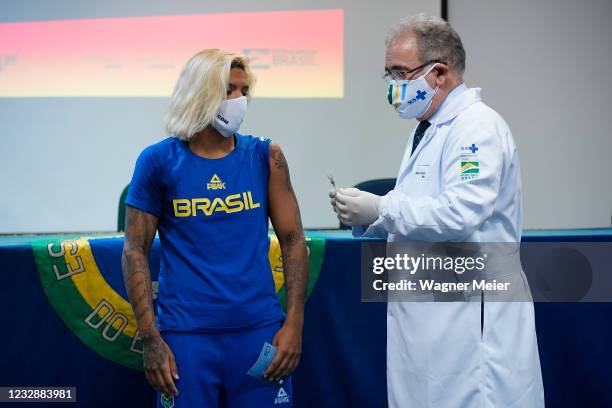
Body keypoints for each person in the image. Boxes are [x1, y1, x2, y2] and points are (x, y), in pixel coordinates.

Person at [330, 14, 545, 407]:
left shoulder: (476, 128)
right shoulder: (430, 128)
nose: (393, 86)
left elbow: (459, 214)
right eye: (388, 74)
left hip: (469, 314)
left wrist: (382, 206)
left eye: (400, 72)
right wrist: (370, 218)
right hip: (428, 314)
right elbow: (421, 211)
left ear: (439, 72)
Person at [122, 49, 308, 407]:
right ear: (200, 92)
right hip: (185, 335)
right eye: (228, 90)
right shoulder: (157, 161)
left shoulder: (266, 156)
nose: (239, 101)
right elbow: (134, 250)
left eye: (243, 90)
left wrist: (294, 324)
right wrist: (150, 338)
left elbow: (294, 240)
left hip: (258, 331)